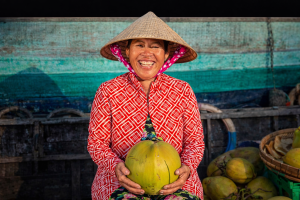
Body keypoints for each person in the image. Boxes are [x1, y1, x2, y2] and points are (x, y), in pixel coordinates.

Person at [88, 11, 205, 200]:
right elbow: (96, 144)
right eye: (139, 45)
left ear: (166, 54)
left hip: (176, 182)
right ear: (127, 51)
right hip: (120, 180)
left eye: (155, 46)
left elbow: (195, 142)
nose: (146, 53)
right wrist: (115, 167)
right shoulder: (108, 90)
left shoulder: (182, 90)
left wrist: (187, 169)